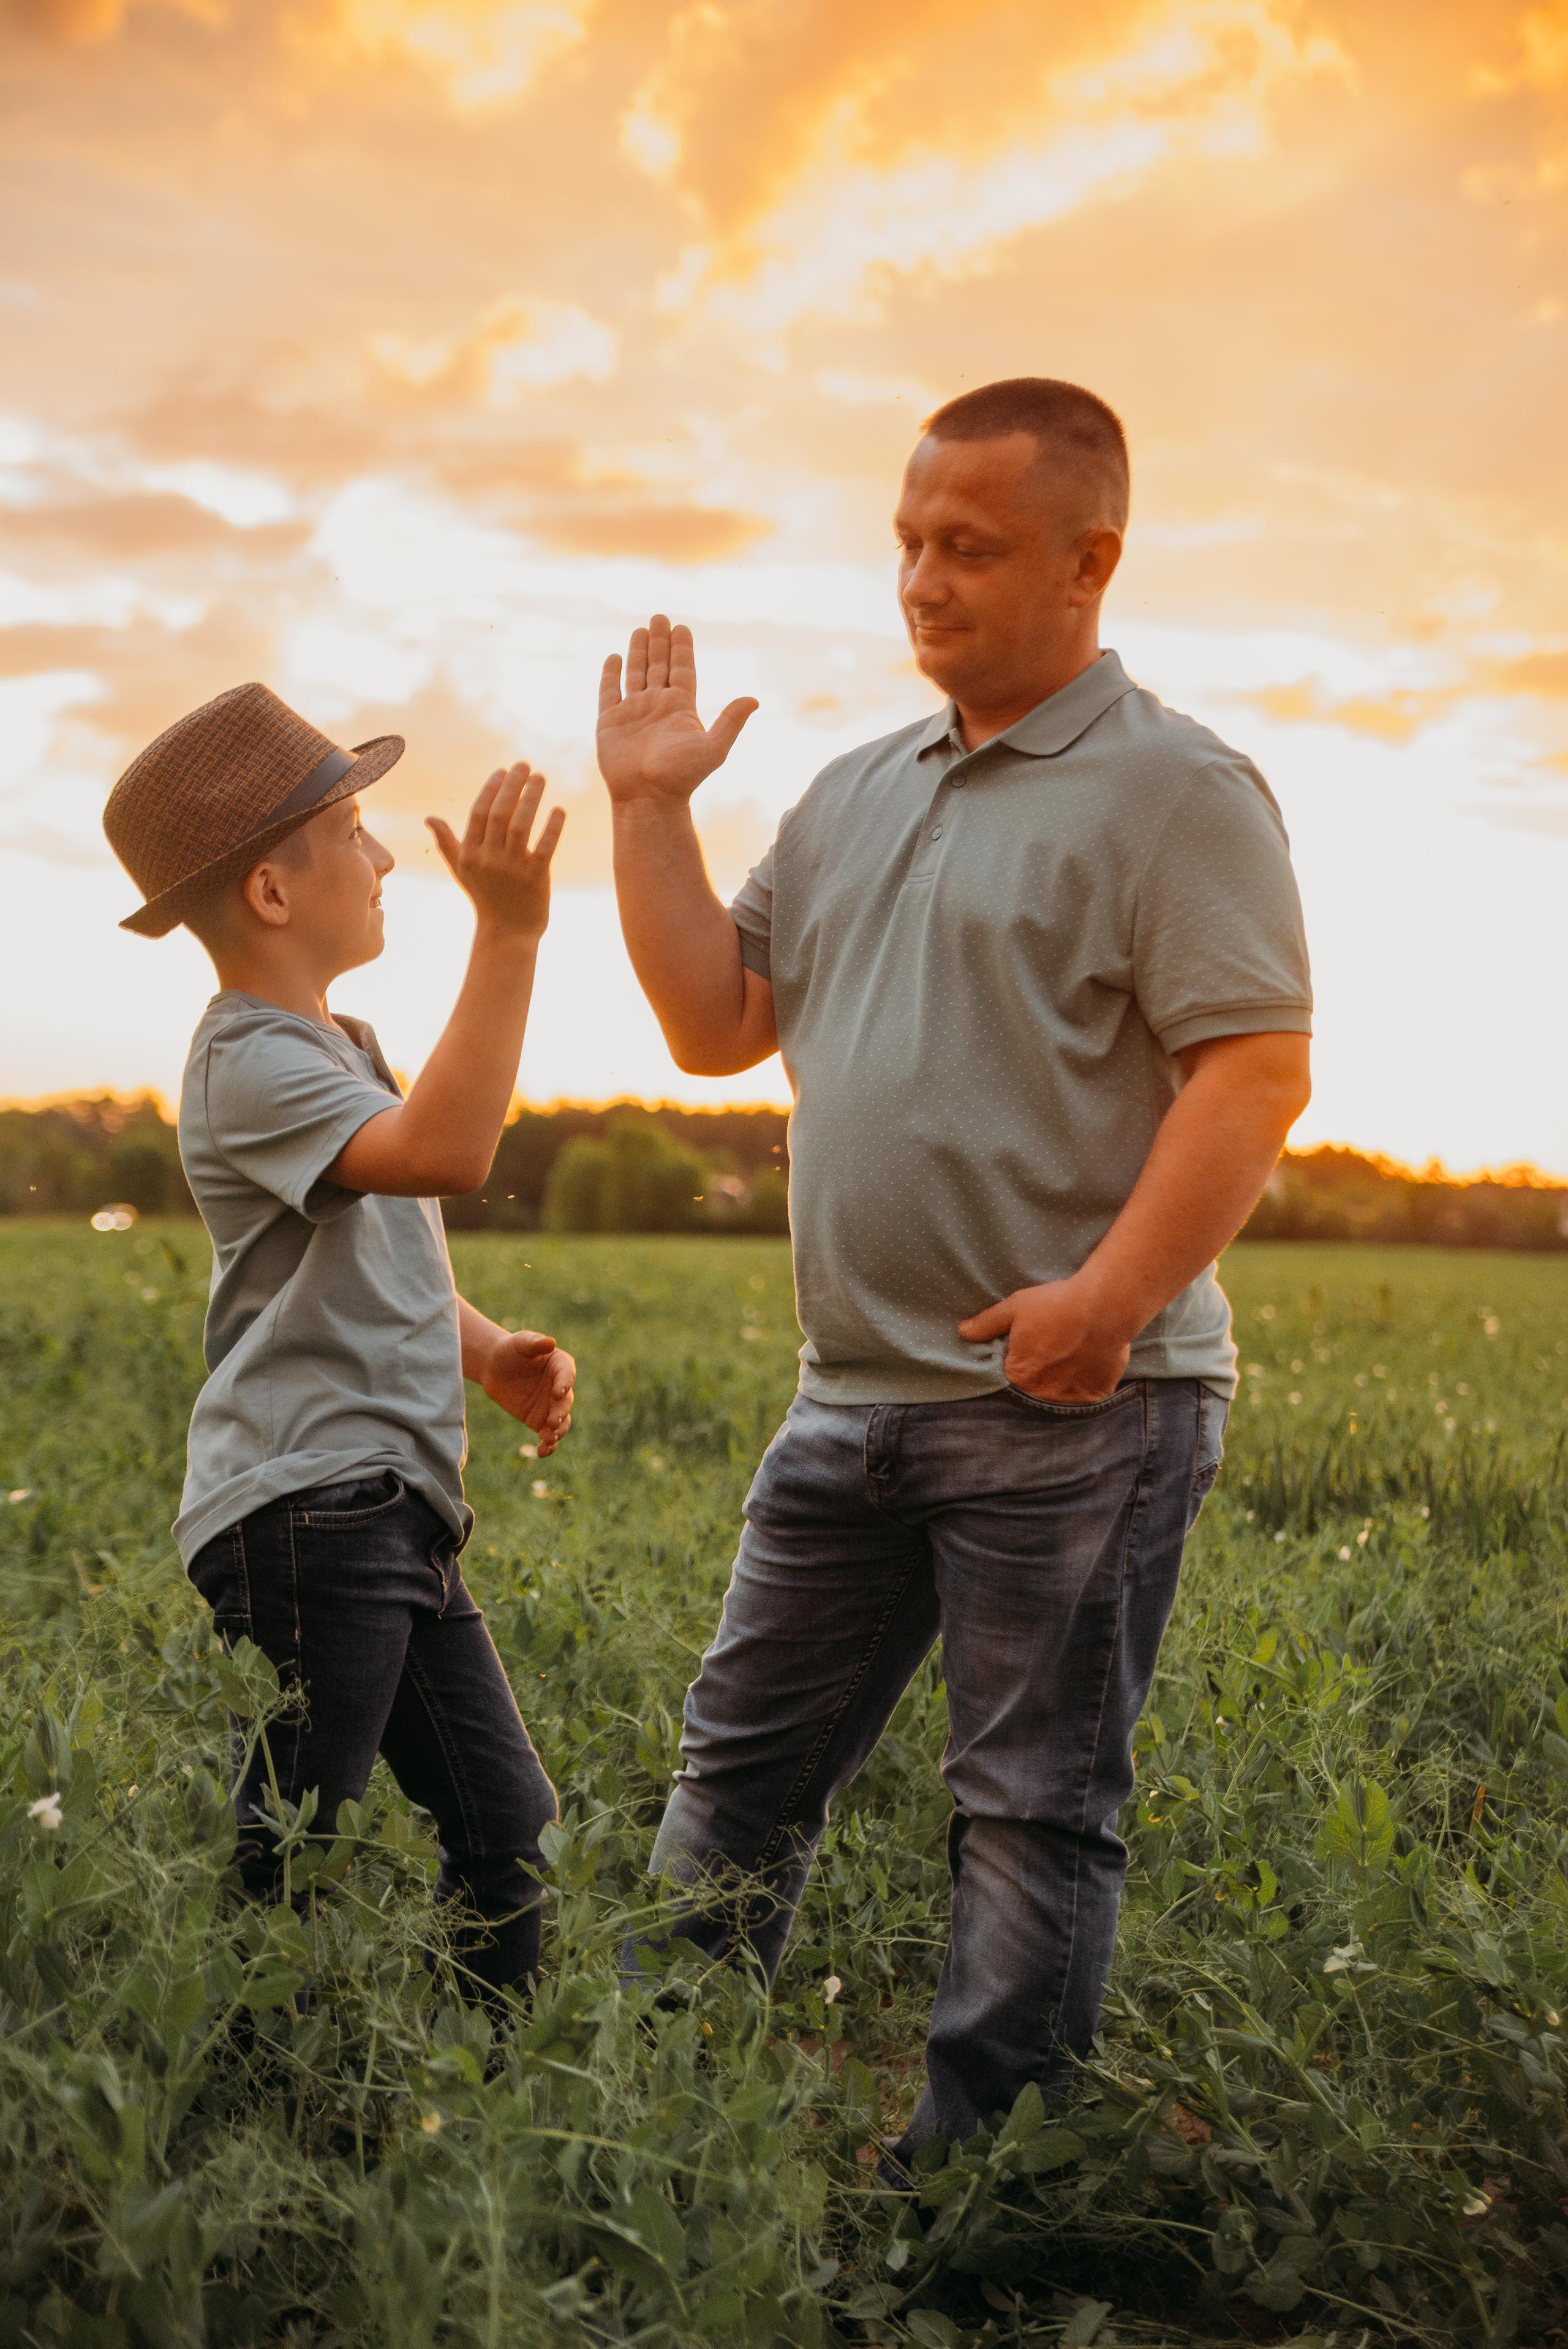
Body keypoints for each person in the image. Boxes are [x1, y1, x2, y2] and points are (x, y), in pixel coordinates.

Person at [597, 377, 1313, 2157]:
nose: (922, 578)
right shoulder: (851, 793)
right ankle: (643, 2116)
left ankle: (978, 2195)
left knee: (1025, 1812)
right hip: (848, 1401)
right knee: (738, 1771)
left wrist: (1109, 1303)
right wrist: (649, 812)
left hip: (1074, 1402)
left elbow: (1257, 1067)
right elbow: (713, 1020)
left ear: (1092, 560)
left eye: (970, 546)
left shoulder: (1178, 790)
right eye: (910, 540)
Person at [102, 682, 574, 2008]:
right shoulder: (245, 1064)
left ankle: (486, 2105)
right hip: (312, 1507)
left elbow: (386, 1243)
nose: (380, 862)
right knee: (296, 1844)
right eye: (354, 832)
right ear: (270, 889)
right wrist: (513, 936)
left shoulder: (338, 1045)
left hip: (388, 1505)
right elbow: (451, 1150)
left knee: (509, 1829)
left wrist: (483, 1350)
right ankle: (259, 2123)